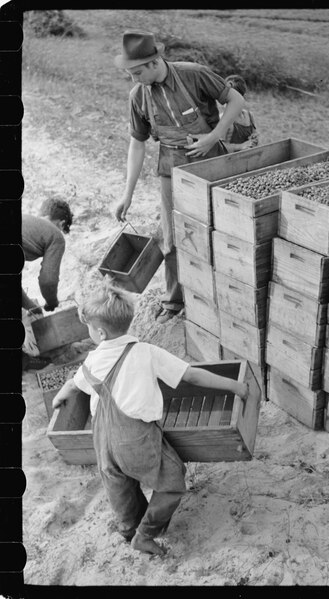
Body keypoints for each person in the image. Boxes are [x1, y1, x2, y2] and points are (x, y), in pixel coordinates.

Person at [52, 277, 249, 556]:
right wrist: (234, 386)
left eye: (90, 331)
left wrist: (60, 395)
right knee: (172, 480)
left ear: (101, 334)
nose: (90, 335)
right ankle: (145, 535)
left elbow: (74, 383)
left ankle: (128, 529)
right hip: (134, 438)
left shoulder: (93, 359)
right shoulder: (146, 353)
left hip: (102, 441)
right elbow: (191, 374)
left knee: (120, 487)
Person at [113, 31, 245, 324]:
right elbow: (137, 144)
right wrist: (127, 194)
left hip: (211, 160)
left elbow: (235, 101)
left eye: (137, 72)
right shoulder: (138, 96)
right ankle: (174, 301)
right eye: (130, 73)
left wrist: (213, 136)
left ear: (154, 62)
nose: (134, 79)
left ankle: (228, 294)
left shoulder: (194, 74)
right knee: (171, 237)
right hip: (171, 165)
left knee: (222, 231)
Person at [22, 197, 74, 371]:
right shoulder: (55, 235)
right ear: (62, 223)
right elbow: (48, 280)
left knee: (30, 309)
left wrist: (32, 308)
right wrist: (52, 302)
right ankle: (26, 361)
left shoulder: (26, 220)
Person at [222, 75, 259, 153]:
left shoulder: (249, 116)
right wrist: (240, 146)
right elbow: (220, 147)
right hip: (229, 162)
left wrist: (254, 139)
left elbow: (254, 134)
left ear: (243, 97)